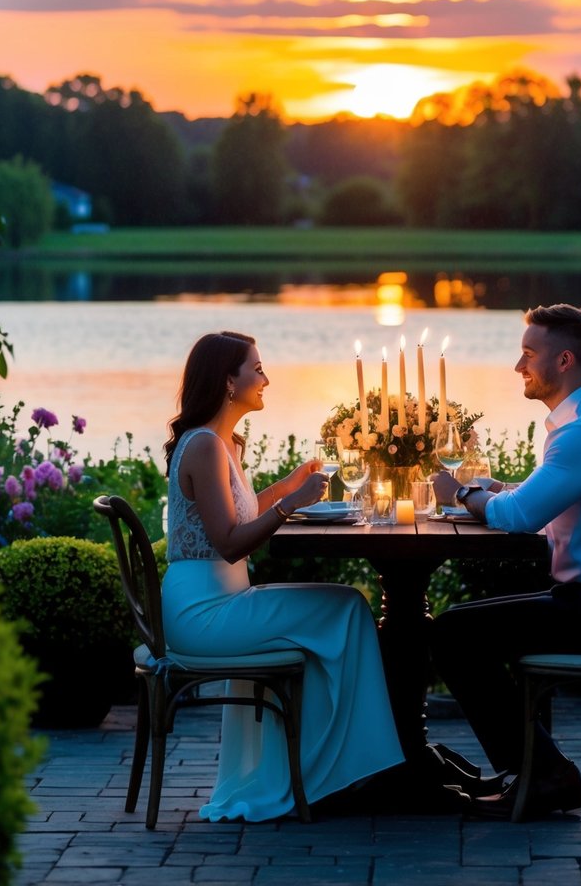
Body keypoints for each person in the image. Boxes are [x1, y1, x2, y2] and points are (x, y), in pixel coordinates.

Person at [430, 304, 581, 819]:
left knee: (452, 633)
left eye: (527, 354)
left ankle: (547, 773)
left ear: (563, 360)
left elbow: (518, 516)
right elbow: (536, 502)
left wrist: (459, 493)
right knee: (462, 627)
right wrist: (493, 490)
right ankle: (533, 765)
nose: (518, 367)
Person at [161, 330, 404, 822]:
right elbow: (231, 542)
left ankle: (329, 769)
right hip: (203, 613)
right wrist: (293, 503)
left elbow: (237, 513)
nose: (266, 378)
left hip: (221, 600)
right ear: (230, 381)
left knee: (343, 610)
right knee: (350, 607)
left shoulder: (224, 442)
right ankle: (346, 771)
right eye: (258, 368)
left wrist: (287, 486)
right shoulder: (206, 445)